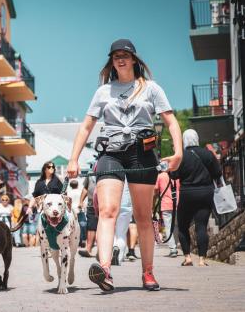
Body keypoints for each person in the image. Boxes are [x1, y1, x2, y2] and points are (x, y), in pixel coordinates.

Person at [67, 39, 182, 291]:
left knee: (142, 216)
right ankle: (105, 270)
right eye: (116, 56)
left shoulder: (150, 88)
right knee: (107, 210)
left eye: (125, 55)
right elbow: (87, 126)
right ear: (112, 61)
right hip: (111, 153)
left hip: (142, 153)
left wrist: (178, 153)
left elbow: (171, 122)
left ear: (134, 60)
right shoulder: (103, 92)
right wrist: (73, 158)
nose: (120, 59)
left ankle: (148, 272)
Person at [170, 129, 221, 267]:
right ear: (197, 139)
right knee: (201, 226)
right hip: (205, 192)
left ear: (184, 140)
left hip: (187, 193)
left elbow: (174, 176)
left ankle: (187, 258)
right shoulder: (208, 154)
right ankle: (202, 260)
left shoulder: (182, 156)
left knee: (182, 226)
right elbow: (218, 172)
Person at [154, 171, 180, 257]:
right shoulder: (177, 175)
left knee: (168, 227)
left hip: (166, 204)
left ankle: (173, 248)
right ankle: (175, 246)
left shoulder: (160, 176)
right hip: (177, 203)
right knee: (176, 226)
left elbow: (155, 190)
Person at [112, 179, 133, 266]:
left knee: (111, 231)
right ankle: (119, 258)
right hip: (126, 204)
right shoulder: (130, 169)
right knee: (121, 233)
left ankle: (111, 253)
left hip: (111, 202)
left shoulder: (112, 168)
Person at [78, 168, 98, 258]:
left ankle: (102, 251)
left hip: (105, 204)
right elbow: (86, 188)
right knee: (90, 227)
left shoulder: (109, 169)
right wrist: (81, 201)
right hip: (91, 204)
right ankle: (88, 249)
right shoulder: (90, 173)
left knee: (103, 226)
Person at [68, 179, 86, 247]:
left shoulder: (69, 193)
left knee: (72, 226)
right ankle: (82, 240)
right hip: (80, 210)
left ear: (70, 186)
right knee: (82, 225)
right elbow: (83, 202)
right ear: (77, 185)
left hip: (72, 211)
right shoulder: (80, 191)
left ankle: (74, 241)